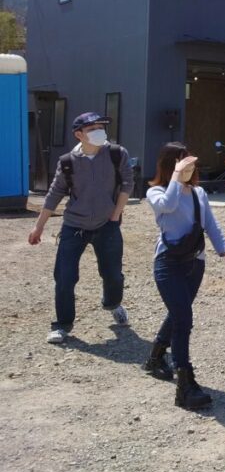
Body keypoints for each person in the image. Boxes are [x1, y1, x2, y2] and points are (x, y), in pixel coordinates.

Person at [28, 112, 135, 344]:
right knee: (64, 276)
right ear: (79, 134)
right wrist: (38, 227)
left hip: (107, 225)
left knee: (113, 274)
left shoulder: (117, 154)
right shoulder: (68, 161)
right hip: (74, 226)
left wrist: (115, 214)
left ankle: (113, 304)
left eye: (101, 127)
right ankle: (62, 325)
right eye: (92, 129)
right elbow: (55, 193)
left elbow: (128, 183)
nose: (99, 132)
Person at [145, 142, 225, 410]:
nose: (188, 168)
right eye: (182, 163)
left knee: (178, 313)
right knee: (183, 318)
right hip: (168, 264)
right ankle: (185, 385)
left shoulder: (199, 193)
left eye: (190, 164)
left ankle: (155, 357)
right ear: (169, 166)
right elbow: (169, 205)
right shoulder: (155, 193)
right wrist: (176, 176)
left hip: (194, 264)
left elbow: (211, 224)